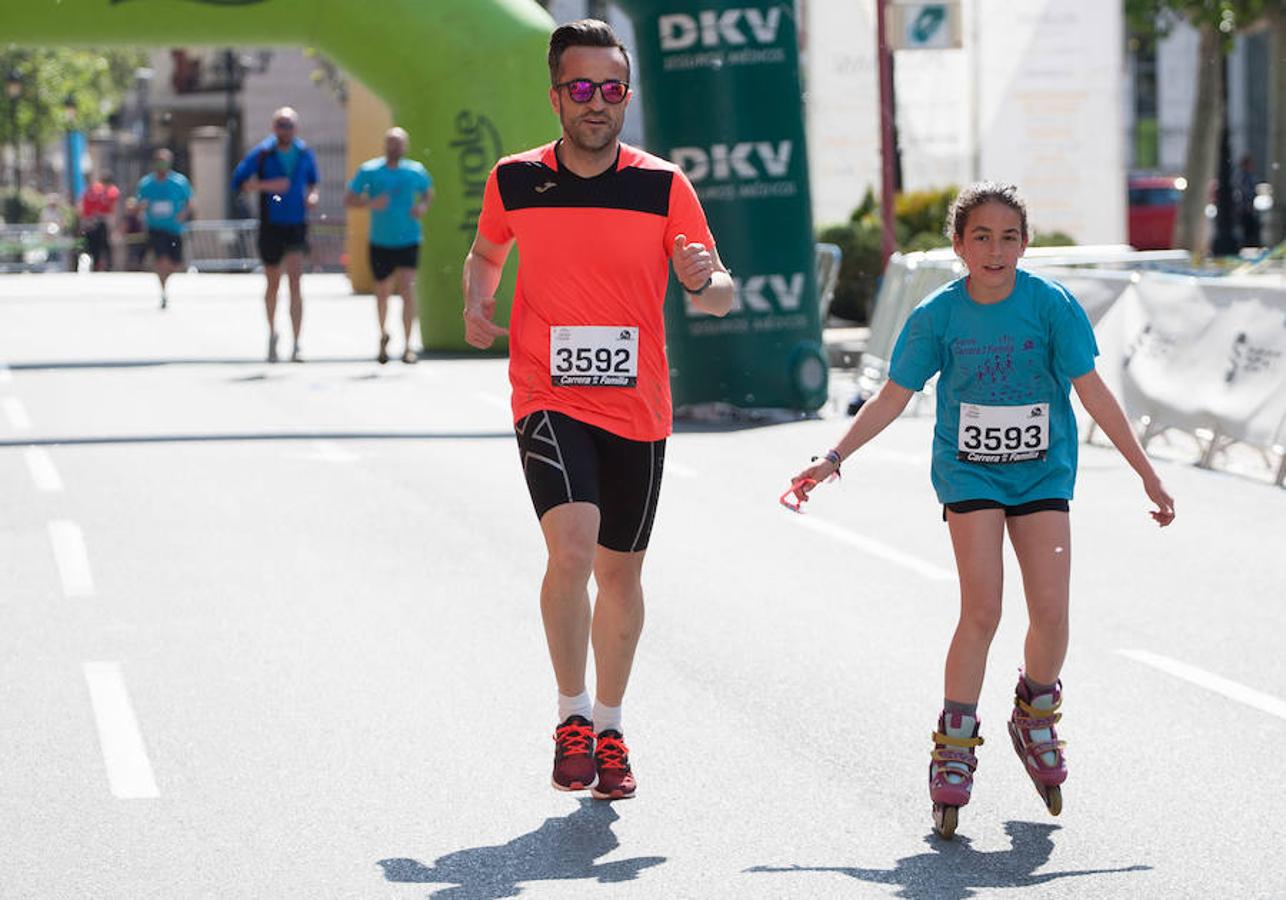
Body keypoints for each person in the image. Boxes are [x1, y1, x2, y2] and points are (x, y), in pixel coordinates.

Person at [788, 182, 1175, 839]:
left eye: (1010, 237)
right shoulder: (938, 316)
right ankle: (955, 741)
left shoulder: (1051, 307)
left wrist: (1147, 473)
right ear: (958, 245)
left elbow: (1095, 395)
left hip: (1042, 472)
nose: (996, 250)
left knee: (1051, 612)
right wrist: (834, 455)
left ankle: (1035, 713)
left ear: (1025, 243)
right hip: (969, 472)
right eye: (982, 237)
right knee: (984, 608)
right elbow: (891, 396)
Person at [462, 19, 733, 801]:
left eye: (611, 89)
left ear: (625, 97)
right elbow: (487, 251)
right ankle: (571, 716)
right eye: (581, 88)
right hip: (547, 394)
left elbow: (720, 292)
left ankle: (611, 727)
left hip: (638, 408)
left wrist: (699, 279)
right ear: (555, 97)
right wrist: (479, 299)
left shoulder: (663, 186)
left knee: (620, 575)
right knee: (572, 549)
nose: (596, 103)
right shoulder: (515, 179)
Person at [231, 106, 320, 362]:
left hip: (296, 224)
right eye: (281, 124)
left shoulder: (304, 152)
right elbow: (239, 181)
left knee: (295, 282)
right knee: (273, 284)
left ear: (296, 128)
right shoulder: (262, 153)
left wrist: (312, 196)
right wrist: (267, 185)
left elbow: (313, 181)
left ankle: (297, 343)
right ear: (273, 127)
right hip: (271, 224)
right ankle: (272, 333)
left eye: (289, 125)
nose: (285, 129)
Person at [344, 126, 433, 364]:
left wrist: (422, 206)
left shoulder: (415, 171)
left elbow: (428, 193)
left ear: (405, 146)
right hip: (381, 240)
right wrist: (370, 202)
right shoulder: (370, 170)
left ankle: (407, 346)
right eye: (391, 142)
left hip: (409, 238)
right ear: (385, 145)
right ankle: (383, 335)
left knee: (406, 289)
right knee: (382, 292)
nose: (395, 147)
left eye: (399, 142)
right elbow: (349, 199)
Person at [135, 149, 193, 309]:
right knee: (161, 261)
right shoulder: (146, 183)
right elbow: (137, 204)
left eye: (164, 161)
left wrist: (183, 214)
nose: (162, 165)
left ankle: (166, 278)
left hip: (174, 228)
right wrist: (141, 207)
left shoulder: (179, 182)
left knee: (176, 264)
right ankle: (163, 291)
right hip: (156, 228)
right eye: (159, 161)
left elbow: (190, 202)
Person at [80, 172, 120, 272]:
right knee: (100, 244)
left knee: (101, 245)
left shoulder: (95, 191)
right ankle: (102, 264)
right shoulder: (99, 191)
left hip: (95, 220)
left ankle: (103, 264)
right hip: (98, 221)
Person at [1234, 154, 1261, 249]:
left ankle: (1250, 245)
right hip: (1245, 209)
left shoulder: (1250, 176)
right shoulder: (1243, 176)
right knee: (1247, 231)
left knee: (1250, 230)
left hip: (1249, 209)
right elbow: (1245, 192)